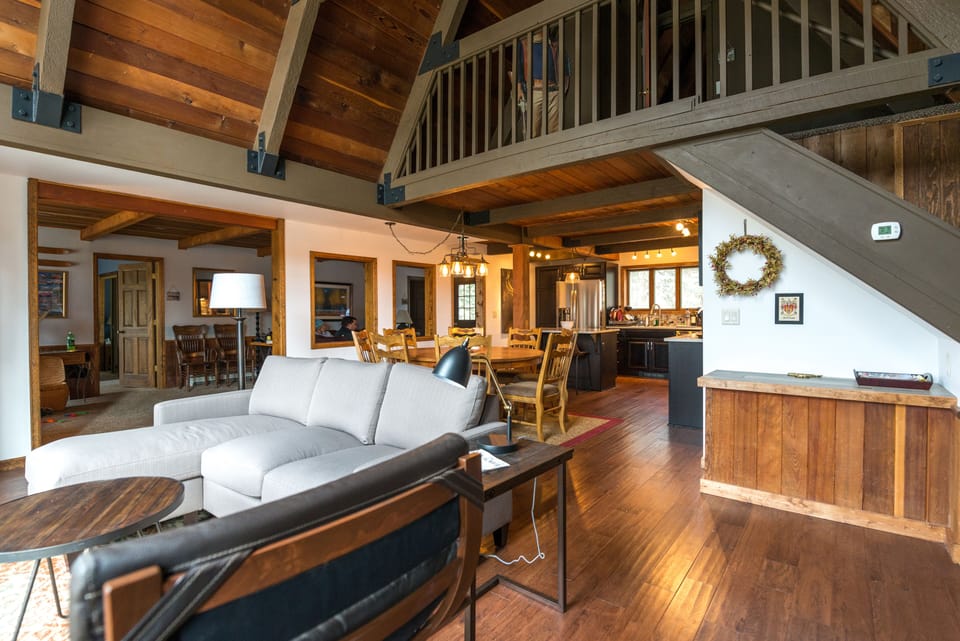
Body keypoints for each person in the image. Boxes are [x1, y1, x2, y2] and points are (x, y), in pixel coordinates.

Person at [516, 26, 570, 140]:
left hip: (554, 90)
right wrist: (519, 88)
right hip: (535, 91)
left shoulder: (555, 45)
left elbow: (566, 67)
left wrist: (563, 87)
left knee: (555, 130)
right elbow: (518, 68)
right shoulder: (524, 44)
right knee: (533, 130)